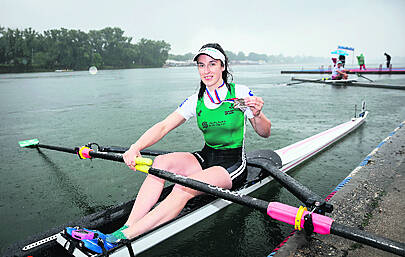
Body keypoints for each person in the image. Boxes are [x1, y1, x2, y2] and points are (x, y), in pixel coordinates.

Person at [67, 43, 271, 250]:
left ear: (223, 66)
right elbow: (164, 126)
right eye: (201, 65)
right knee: (160, 164)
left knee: (184, 186)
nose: (206, 70)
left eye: (212, 64)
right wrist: (135, 147)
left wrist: (257, 114)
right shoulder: (196, 100)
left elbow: (265, 132)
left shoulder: (239, 95)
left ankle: (118, 239)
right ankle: (128, 226)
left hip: (232, 164)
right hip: (207, 156)